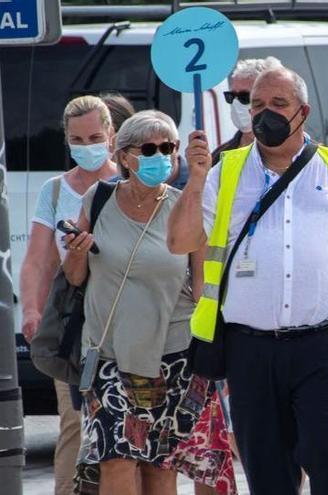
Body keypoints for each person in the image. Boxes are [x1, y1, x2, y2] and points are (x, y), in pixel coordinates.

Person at [167, 65, 328, 495]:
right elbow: (180, 242)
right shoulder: (222, 172)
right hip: (249, 349)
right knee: (267, 467)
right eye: (257, 105)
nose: (264, 113)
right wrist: (195, 181)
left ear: (303, 112)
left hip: (322, 344)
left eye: (278, 104)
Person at [60, 110, 206, 495]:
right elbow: (76, 276)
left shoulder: (185, 205)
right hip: (108, 353)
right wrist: (76, 251)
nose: (161, 155)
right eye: (149, 148)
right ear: (124, 156)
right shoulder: (100, 198)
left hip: (171, 355)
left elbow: (204, 287)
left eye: (168, 148)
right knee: (116, 460)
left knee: (160, 468)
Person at [19, 95, 118, 495]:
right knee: (75, 424)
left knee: (125, 429)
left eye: (95, 136)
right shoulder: (56, 190)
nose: (87, 145)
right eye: (77, 139)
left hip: (124, 321)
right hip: (75, 328)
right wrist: (31, 309)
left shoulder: (130, 184)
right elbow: (38, 260)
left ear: (111, 136)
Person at [211, 56, 283, 164]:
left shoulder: (299, 152)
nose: (236, 103)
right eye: (231, 96)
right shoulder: (219, 157)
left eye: (244, 97)